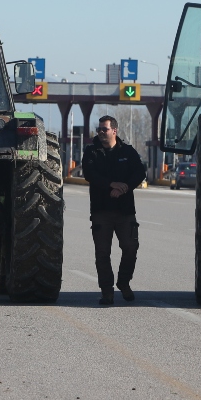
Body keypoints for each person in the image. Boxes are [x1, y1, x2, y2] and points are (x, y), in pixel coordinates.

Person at [82, 115, 147, 304]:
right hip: (101, 211)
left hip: (125, 211)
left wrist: (124, 187)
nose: (101, 133)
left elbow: (140, 172)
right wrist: (112, 185)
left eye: (105, 129)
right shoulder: (92, 152)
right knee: (102, 253)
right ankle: (107, 291)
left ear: (114, 131)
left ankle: (124, 283)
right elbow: (90, 174)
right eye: (99, 129)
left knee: (130, 248)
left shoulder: (127, 151)